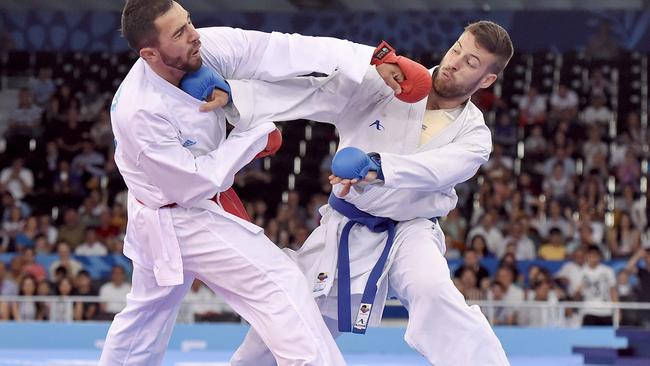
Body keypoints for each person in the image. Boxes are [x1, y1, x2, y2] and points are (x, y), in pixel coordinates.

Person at [191, 20, 512, 366]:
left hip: (411, 230)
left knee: (433, 291)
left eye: (471, 63)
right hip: (345, 226)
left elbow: (439, 169)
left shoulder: (475, 136)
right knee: (291, 317)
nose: (454, 62)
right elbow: (317, 92)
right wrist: (235, 92)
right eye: (457, 49)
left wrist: (377, 166)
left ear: (487, 80)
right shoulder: (393, 81)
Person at [100, 1, 404, 365]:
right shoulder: (141, 112)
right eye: (179, 33)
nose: (194, 35)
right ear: (149, 53)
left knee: (145, 320)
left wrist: (370, 58)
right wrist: (257, 135)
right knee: (280, 283)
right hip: (179, 214)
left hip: (169, 207)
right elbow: (198, 181)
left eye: (189, 22)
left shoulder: (205, 49)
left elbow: (280, 49)